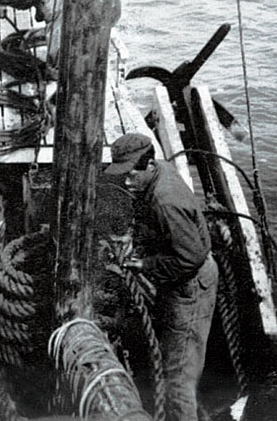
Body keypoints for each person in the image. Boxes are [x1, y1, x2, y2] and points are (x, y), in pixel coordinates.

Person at [104, 133, 219, 421]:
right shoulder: (161, 169)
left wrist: (144, 263)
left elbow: (188, 258)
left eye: (131, 174)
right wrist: (135, 235)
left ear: (148, 165)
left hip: (190, 287)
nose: (127, 181)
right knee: (178, 363)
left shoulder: (166, 201)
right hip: (181, 277)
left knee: (178, 378)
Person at [0, 0, 121, 70]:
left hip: (104, 9)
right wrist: (0, 4)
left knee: (77, 41)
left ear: (26, 0)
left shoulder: (51, 5)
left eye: (16, 6)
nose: (17, 10)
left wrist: (51, 72)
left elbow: (56, 42)